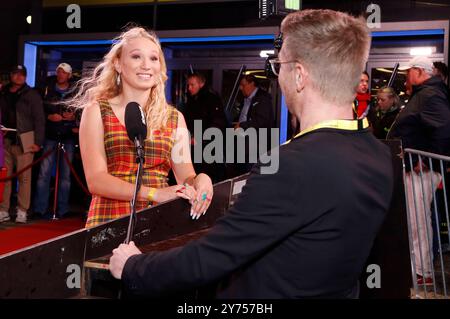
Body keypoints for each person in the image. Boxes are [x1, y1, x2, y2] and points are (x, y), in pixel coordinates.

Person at [109, 9, 394, 298]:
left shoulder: (289, 165)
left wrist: (134, 265)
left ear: (298, 76)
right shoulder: (378, 154)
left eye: (277, 66)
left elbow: (209, 260)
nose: (277, 75)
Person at [70, 27, 213, 228]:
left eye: (154, 59)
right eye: (136, 57)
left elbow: (186, 176)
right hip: (109, 218)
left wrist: (202, 180)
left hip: (158, 219)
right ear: (118, 64)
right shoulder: (96, 111)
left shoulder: (174, 118)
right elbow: (96, 180)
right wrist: (155, 193)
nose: (146, 65)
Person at [388, 55, 450, 285]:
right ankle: (418, 269)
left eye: (409, 72)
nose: (406, 76)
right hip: (415, 168)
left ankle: (422, 272)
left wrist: (425, 159)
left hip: (421, 170)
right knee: (415, 221)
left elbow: (445, 128)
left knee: (417, 222)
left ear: (419, 71)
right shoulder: (425, 94)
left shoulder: (430, 94)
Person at [0, 65, 45, 223]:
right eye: (16, 74)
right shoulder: (3, 92)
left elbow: (39, 119)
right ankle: (3, 209)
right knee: (5, 177)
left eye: (22, 75)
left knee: (24, 178)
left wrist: (38, 142)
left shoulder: (31, 94)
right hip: (5, 139)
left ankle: (22, 210)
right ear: (11, 75)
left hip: (25, 139)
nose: (19, 77)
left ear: (25, 77)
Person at [32, 63, 78, 219]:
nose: (60, 75)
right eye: (59, 72)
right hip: (50, 136)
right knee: (43, 175)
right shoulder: (46, 89)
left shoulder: (76, 91)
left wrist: (75, 117)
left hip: (68, 137)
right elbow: (38, 111)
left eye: (64, 72)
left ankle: (63, 210)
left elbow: (84, 110)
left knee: (65, 177)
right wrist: (48, 117)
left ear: (69, 75)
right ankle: (40, 209)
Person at [183, 72, 227, 183]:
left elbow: (218, 123)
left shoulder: (212, 100)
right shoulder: (190, 101)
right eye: (188, 85)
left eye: (192, 85)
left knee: (209, 178)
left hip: (209, 147)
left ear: (201, 84)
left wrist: (201, 138)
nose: (189, 88)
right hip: (194, 146)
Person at [234, 74, 275, 175]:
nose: (240, 88)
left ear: (252, 84)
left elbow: (262, 121)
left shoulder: (262, 98)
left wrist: (242, 125)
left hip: (256, 146)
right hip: (244, 144)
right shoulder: (246, 100)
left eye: (243, 85)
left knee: (251, 174)